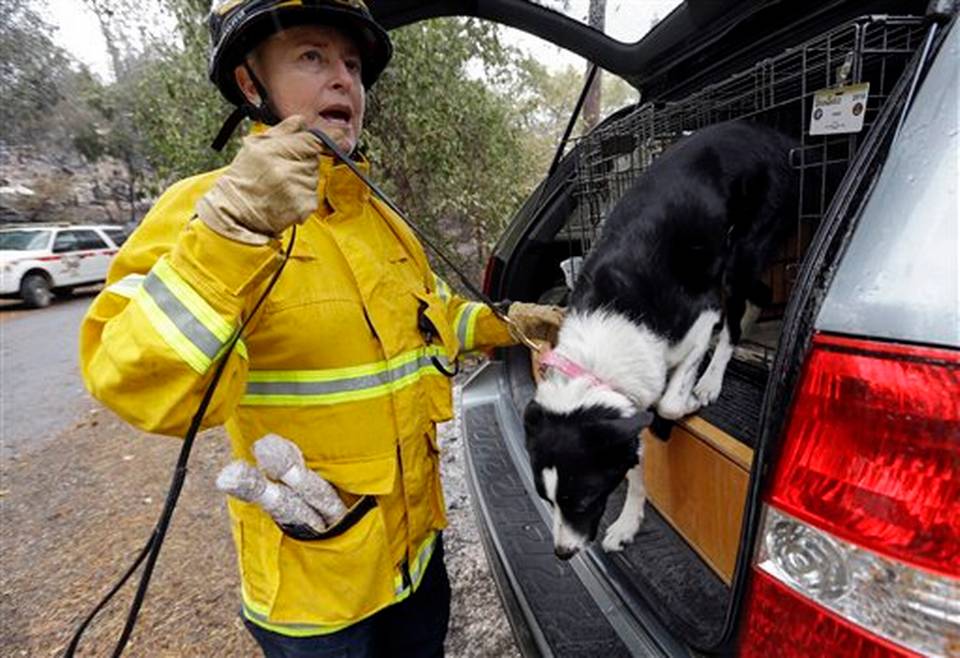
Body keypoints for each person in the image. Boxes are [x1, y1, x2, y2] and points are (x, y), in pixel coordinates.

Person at [78, 1, 562, 656]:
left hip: (417, 564)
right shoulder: (202, 213)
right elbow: (125, 375)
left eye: (353, 65)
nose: (344, 81)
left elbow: (433, 317)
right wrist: (231, 237)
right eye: (312, 56)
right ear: (252, 85)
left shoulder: (380, 221)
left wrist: (505, 325)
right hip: (315, 595)